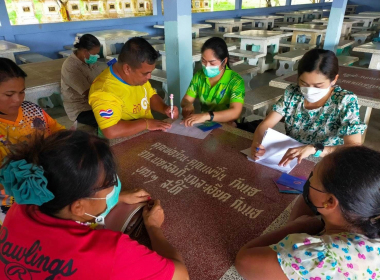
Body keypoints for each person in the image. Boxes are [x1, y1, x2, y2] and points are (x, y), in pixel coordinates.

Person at [0, 130, 189, 280]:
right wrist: (154, 227)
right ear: (78, 207)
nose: (115, 186)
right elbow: (180, 275)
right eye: (108, 184)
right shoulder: (110, 252)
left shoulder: (25, 205)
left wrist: (118, 198)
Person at [235, 146, 380, 280]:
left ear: (329, 202)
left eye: (313, 176)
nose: (308, 180)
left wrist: (297, 226)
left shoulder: (319, 256)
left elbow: (244, 261)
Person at [251, 49, 366, 166]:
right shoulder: (292, 92)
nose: (310, 90)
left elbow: (353, 148)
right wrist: (258, 143)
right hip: (292, 157)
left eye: (318, 85)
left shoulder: (345, 101)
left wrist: (314, 149)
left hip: (325, 161)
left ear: (334, 79)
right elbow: (266, 125)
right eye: (304, 83)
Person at [0, 58, 64, 223]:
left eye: (22, 92)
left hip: (49, 187)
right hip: (12, 203)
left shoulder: (32, 110)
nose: (18, 99)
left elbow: (60, 134)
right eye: (9, 94)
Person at [89, 37, 179, 139]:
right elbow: (111, 131)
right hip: (121, 143)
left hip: (144, 135)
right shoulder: (104, 91)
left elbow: (150, 95)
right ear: (127, 69)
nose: (149, 77)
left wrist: (165, 108)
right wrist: (146, 123)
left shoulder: (137, 76)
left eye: (150, 72)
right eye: (146, 73)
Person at [181, 37, 245, 127]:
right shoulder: (199, 76)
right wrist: (188, 105)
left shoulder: (235, 81)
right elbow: (185, 100)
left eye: (212, 63)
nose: (207, 66)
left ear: (224, 61)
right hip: (205, 124)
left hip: (227, 124)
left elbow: (235, 112)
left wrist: (206, 116)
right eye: (203, 61)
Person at [61, 34, 105, 128]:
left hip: (95, 103)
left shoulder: (89, 61)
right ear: (85, 52)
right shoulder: (71, 67)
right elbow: (88, 93)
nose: (96, 57)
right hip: (81, 109)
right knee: (109, 119)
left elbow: (102, 77)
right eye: (94, 54)